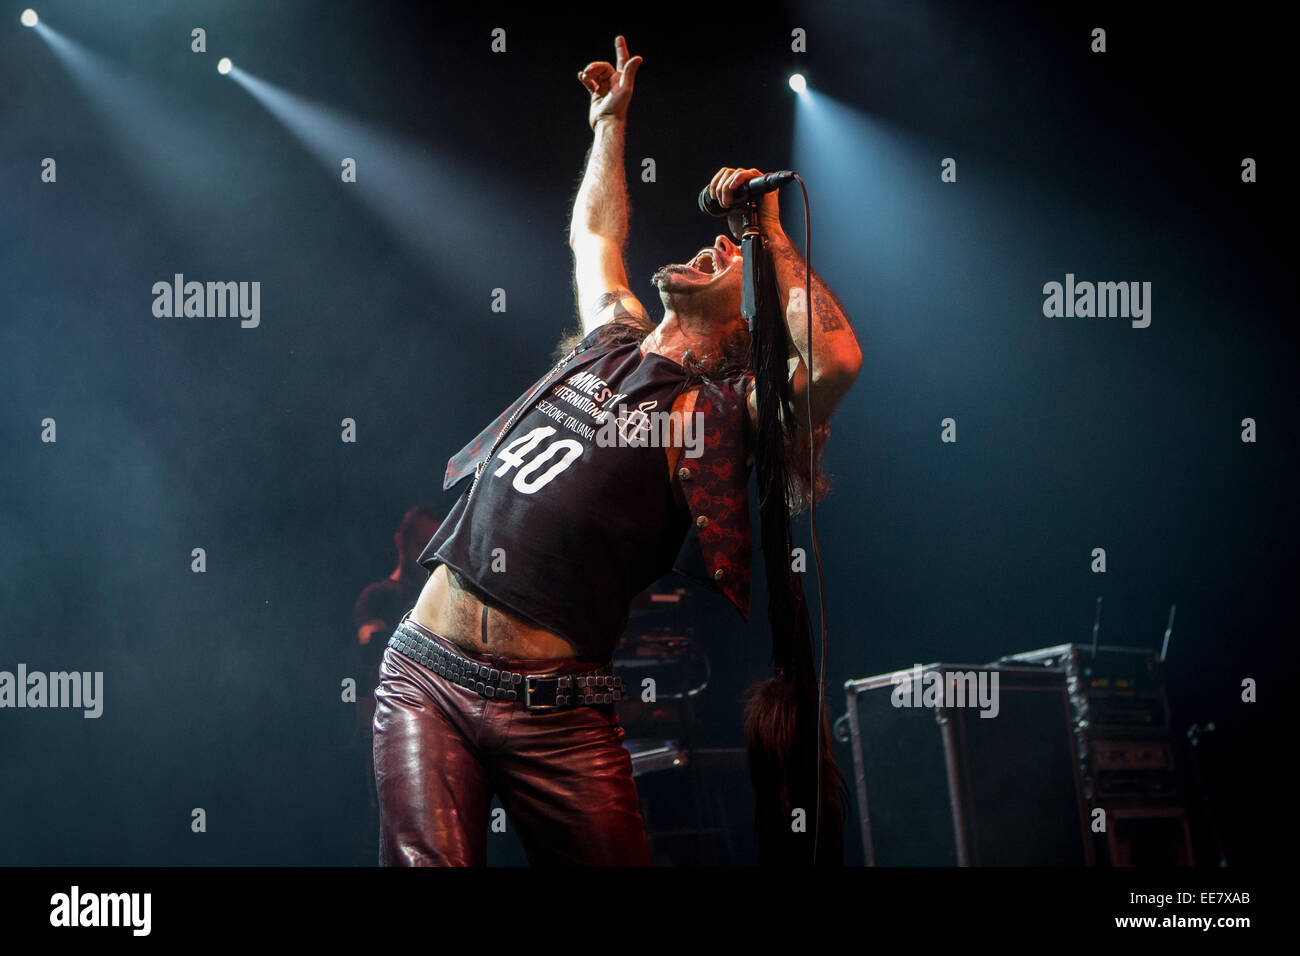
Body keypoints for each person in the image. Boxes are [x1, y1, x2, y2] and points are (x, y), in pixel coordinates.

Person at [372, 35, 862, 866]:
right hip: (427, 673)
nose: (715, 247)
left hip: (558, 717)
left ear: (746, 336)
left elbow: (835, 360)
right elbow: (593, 236)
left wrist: (768, 236)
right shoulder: (611, 342)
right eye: (723, 244)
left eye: (729, 263)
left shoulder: (716, 418)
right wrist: (609, 126)